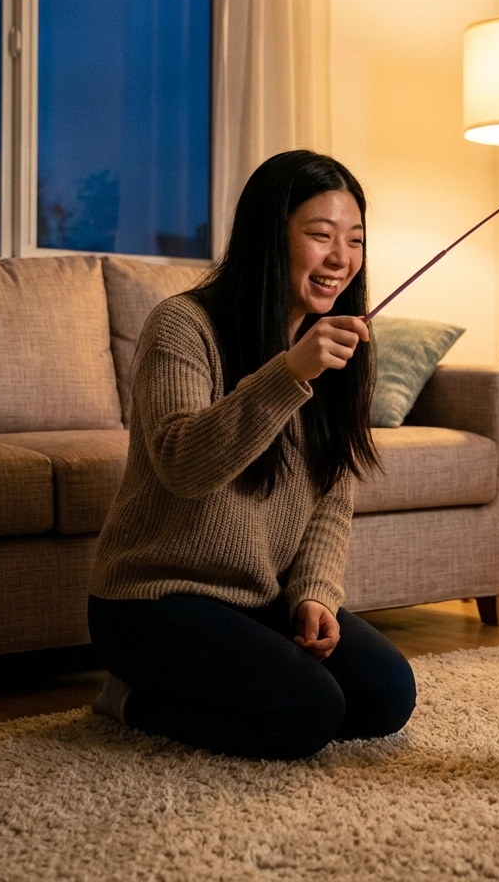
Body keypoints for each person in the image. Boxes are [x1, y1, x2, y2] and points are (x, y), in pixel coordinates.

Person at [87, 150, 416, 759]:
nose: (341, 258)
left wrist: (315, 594)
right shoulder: (183, 325)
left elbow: (331, 501)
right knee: (308, 713)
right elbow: (184, 466)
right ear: (271, 235)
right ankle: (129, 698)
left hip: (257, 600)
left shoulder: (338, 343)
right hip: (152, 601)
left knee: (386, 696)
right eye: (320, 236)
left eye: (355, 240)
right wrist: (290, 371)